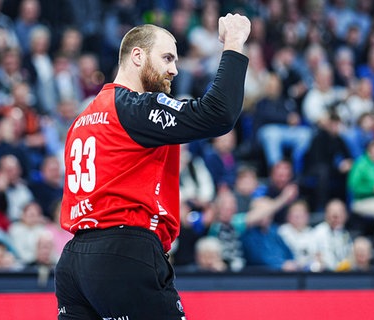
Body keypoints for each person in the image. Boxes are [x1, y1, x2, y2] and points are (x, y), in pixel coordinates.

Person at [55, 14, 251, 320]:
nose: (174, 69)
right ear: (137, 56)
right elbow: (219, 114)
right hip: (125, 253)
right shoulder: (133, 108)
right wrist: (236, 41)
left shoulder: (82, 120)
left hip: (74, 264)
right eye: (167, 58)